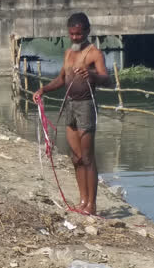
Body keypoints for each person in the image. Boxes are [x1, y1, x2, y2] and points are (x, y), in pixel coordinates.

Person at [33, 12, 110, 215]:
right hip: (69, 105)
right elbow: (61, 79)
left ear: (87, 31)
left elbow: (106, 79)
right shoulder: (68, 53)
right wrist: (43, 90)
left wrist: (92, 75)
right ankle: (82, 201)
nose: (75, 37)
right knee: (75, 158)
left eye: (78, 34)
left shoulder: (94, 54)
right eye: (72, 34)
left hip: (85, 106)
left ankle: (91, 206)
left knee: (87, 158)